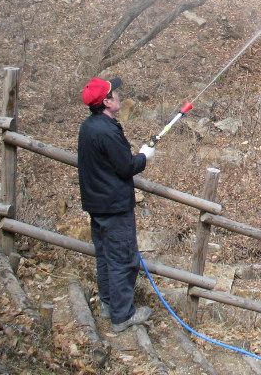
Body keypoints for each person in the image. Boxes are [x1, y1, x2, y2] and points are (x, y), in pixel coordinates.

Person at [78, 77, 155, 332]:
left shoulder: (88, 127)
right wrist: (144, 157)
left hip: (97, 205)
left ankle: (109, 304)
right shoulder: (108, 131)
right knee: (123, 259)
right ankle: (122, 315)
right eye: (115, 94)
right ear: (107, 102)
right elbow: (126, 167)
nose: (119, 96)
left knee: (106, 257)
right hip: (114, 207)